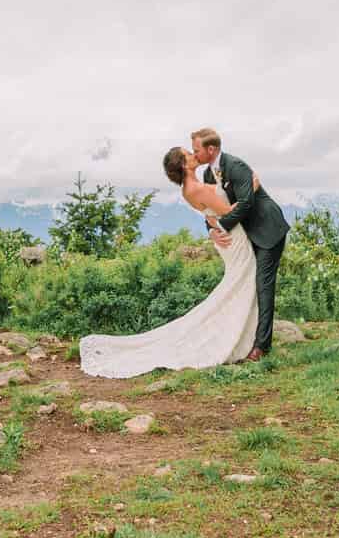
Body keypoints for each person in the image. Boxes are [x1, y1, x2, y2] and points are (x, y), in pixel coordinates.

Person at [77, 147, 259, 378]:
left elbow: (211, 216)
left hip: (225, 239)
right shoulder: (196, 187)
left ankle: (243, 335)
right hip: (234, 239)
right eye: (188, 154)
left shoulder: (188, 189)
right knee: (241, 283)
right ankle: (237, 337)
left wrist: (213, 229)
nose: (194, 154)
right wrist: (251, 190)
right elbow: (231, 212)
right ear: (184, 164)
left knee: (238, 285)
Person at [190, 127, 288, 361]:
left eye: (197, 150)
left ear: (211, 149)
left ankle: (261, 347)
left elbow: (245, 204)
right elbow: (210, 210)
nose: (194, 155)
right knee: (245, 284)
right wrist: (213, 231)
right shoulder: (207, 176)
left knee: (263, 286)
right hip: (244, 236)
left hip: (267, 230)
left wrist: (221, 227)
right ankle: (243, 337)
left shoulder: (237, 166)